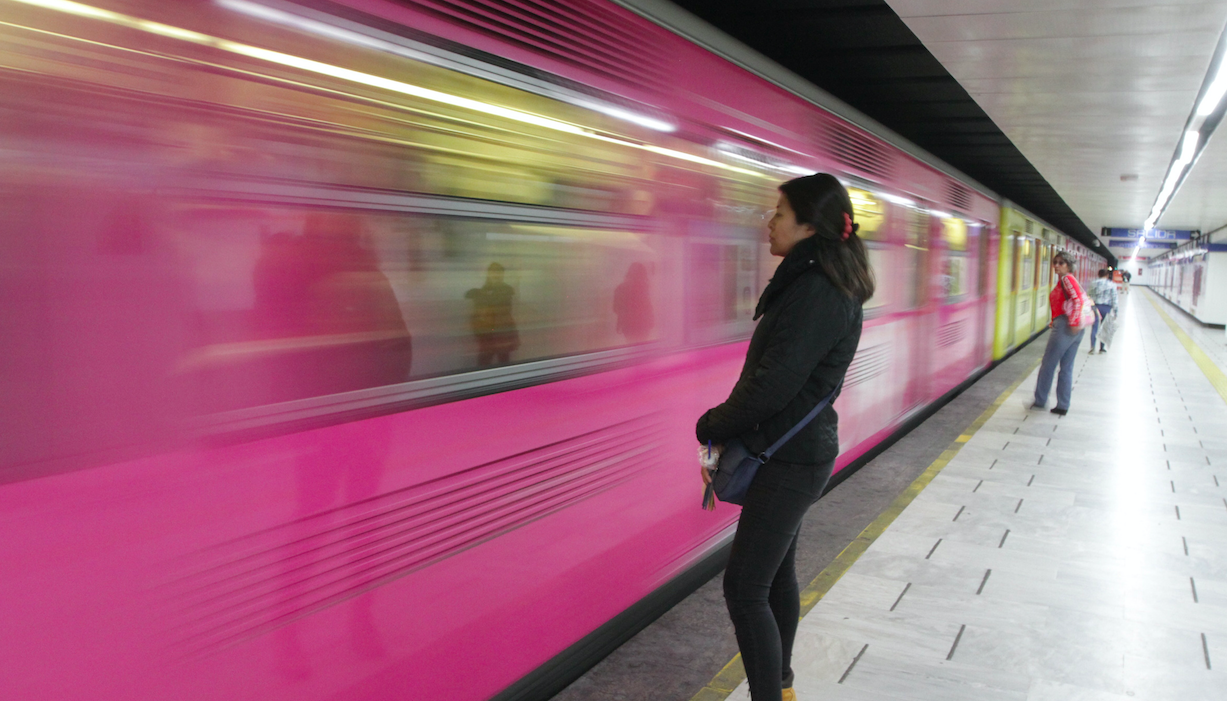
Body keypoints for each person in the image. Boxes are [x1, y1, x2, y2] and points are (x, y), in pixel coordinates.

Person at [696, 173, 873, 701]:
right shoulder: (813, 281)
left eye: (778, 213)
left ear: (808, 225)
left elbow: (774, 384)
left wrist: (712, 424)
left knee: (744, 587)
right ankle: (783, 687)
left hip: (790, 458)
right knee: (773, 578)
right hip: (792, 451)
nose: (769, 222)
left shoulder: (817, 290)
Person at [1030, 251, 1087, 415]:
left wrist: (1072, 323)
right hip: (1073, 326)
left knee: (1048, 364)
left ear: (1068, 265)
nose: (1056, 265)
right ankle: (1063, 405)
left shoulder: (1066, 279)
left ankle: (1040, 400)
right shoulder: (1069, 279)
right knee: (1066, 367)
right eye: (1055, 262)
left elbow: (1077, 301)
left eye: (1061, 263)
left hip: (1066, 327)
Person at [465, 262, 519, 366]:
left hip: (501, 334)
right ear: (489, 274)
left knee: (502, 362)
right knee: (485, 362)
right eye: (493, 272)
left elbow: (504, 312)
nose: (496, 275)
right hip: (488, 335)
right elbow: (478, 314)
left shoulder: (506, 290)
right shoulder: (484, 290)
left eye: (499, 272)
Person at [1087, 268, 1118, 354]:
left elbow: (1089, 295)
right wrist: (1116, 311)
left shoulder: (1093, 283)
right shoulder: (1112, 284)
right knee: (1105, 328)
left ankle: (1092, 347)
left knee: (1094, 327)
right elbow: (1114, 298)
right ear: (1107, 275)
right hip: (1106, 308)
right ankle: (1102, 348)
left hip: (1095, 307)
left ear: (1098, 274)